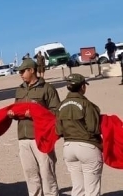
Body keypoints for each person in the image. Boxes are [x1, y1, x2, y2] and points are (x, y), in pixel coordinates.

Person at [9, 58, 61, 196]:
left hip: (41, 137)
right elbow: (17, 107)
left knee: (47, 175)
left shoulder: (47, 89)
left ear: (31, 70)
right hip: (23, 137)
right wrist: (12, 114)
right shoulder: (19, 90)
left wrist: (35, 114)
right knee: (30, 175)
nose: (20, 74)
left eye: (22, 71)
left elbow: (56, 112)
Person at [56, 73, 103, 196]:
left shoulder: (60, 106)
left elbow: (59, 131)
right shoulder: (87, 104)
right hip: (87, 147)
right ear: (82, 87)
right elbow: (94, 128)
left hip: (68, 148)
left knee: (77, 189)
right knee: (92, 190)